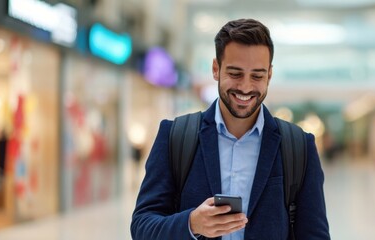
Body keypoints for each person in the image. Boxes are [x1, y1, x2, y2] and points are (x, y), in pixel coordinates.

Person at [131, 18, 330, 240]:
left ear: (270, 75)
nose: (245, 87)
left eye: (257, 75)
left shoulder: (298, 146)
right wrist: (191, 223)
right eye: (235, 74)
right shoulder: (174, 137)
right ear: (216, 69)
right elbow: (142, 227)